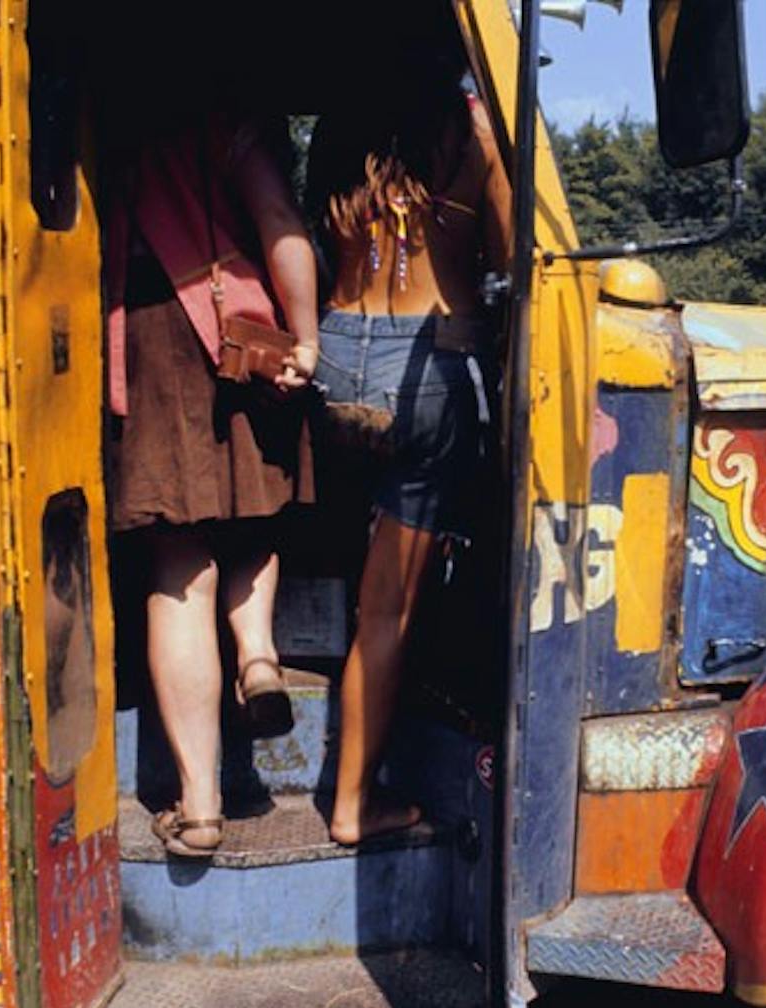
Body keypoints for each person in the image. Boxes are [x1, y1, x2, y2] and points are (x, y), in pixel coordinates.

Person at [306, 11, 512, 845]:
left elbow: (318, 238)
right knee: (387, 611)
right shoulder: (474, 135)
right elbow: (511, 256)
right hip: (431, 367)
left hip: (338, 363)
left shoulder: (335, 134)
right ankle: (356, 803)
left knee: (358, 573)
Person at [104, 111, 319, 857]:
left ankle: (199, 807)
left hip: (147, 335)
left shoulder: (111, 123)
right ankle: (257, 656)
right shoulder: (229, 118)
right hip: (238, 342)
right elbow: (278, 219)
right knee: (254, 517)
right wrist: (307, 334)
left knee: (178, 562)